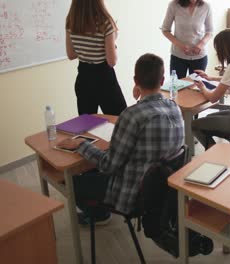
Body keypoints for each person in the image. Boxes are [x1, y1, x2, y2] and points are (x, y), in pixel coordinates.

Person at [57, 53, 185, 224]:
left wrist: (81, 144)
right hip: (162, 190)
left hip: (134, 194)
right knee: (92, 170)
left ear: (135, 81)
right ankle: (99, 209)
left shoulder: (131, 115)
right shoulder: (175, 108)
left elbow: (109, 165)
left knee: (68, 180)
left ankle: (99, 215)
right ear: (162, 81)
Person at [65, 0, 127, 115]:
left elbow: (71, 54)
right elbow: (112, 61)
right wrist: (113, 41)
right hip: (104, 79)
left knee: (87, 126)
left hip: (83, 78)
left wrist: (85, 47)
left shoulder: (71, 21)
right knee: (120, 120)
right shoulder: (106, 22)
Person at [161, 0, 213, 79]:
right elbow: (165, 30)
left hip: (199, 57)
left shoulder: (206, 6)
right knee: (177, 87)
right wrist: (181, 46)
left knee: (197, 88)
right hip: (178, 57)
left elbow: (210, 31)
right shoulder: (174, 5)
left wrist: (201, 45)